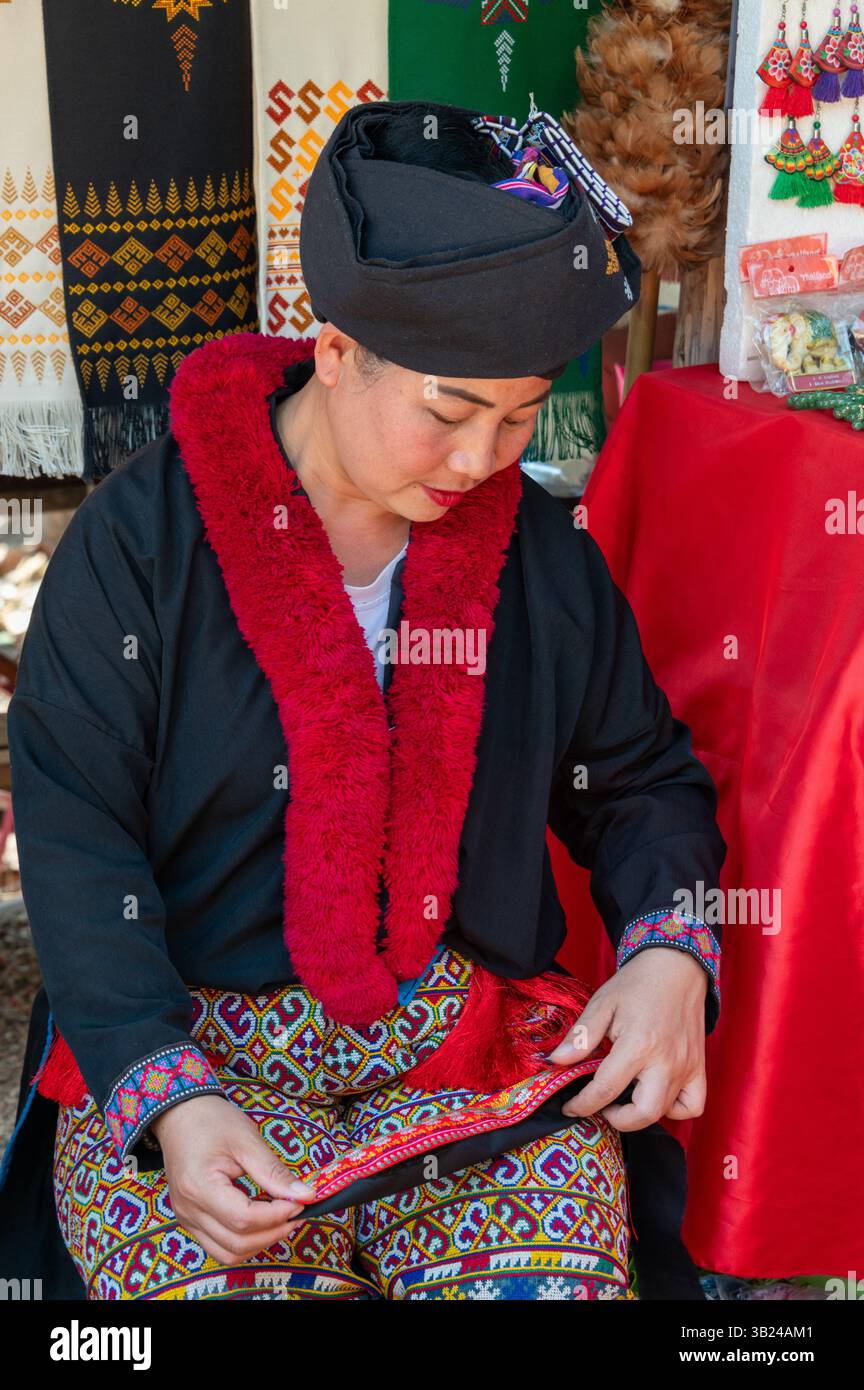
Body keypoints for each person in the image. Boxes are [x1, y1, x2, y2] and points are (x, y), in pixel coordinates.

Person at [0, 100, 725, 1301]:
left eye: (521, 413)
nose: (483, 460)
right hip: (204, 1065)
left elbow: (643, 779)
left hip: (467, 1072)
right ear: (336, 351)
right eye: (448, 412)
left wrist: (666, 958)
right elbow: (77, 841)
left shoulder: (535, 554)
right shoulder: (141, 549)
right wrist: (166, 1096)